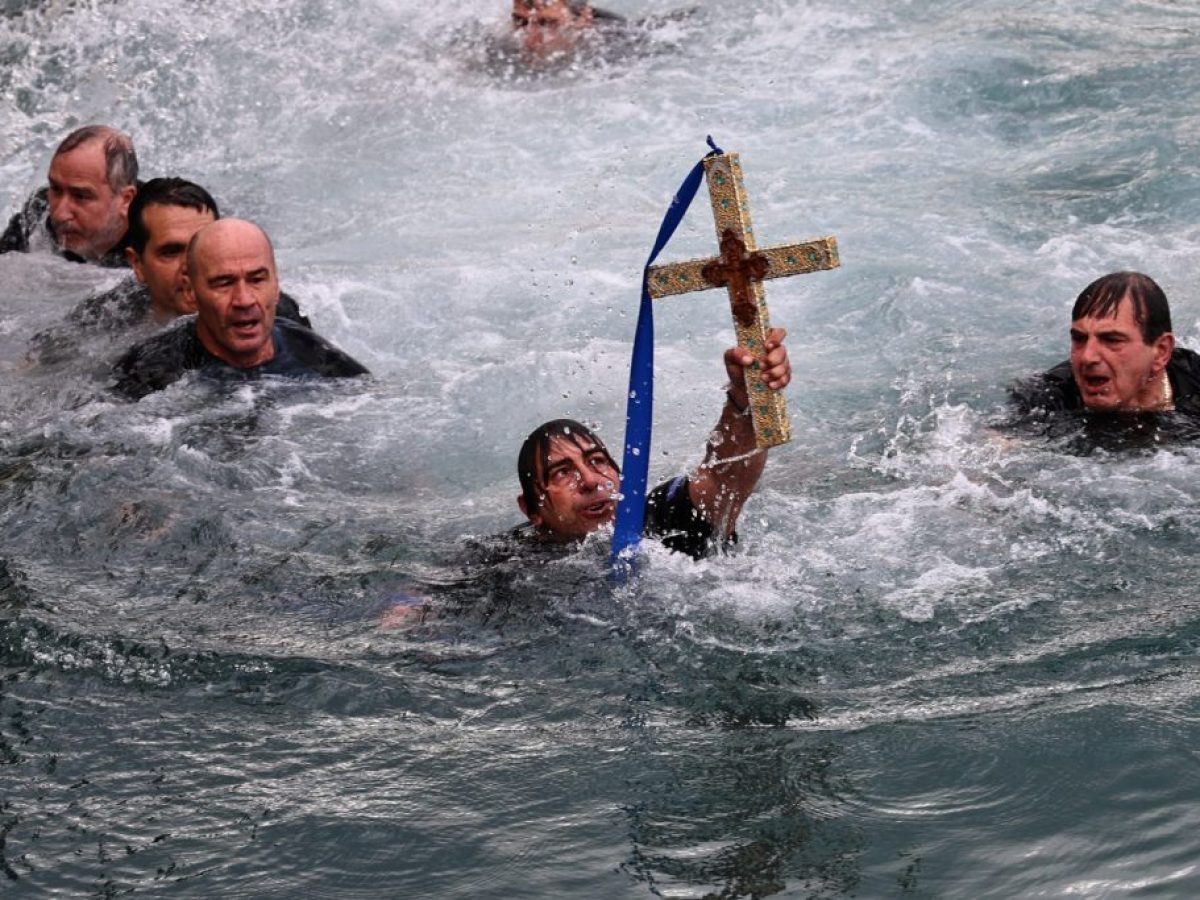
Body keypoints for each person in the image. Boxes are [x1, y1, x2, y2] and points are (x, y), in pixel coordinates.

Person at [513, 328, 792, 560]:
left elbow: (722, 479)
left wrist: (745, 394)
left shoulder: (661, 523)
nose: (589, 480)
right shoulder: (507, 563)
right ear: (531, 510)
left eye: (597, 461)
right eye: (563, 472)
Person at [27, 178, 311, 363]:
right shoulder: (113, 312)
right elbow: (35, 363)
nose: (193, 264)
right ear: (137, 264)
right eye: (172, 251)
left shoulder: (272, 312)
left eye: (203, 244)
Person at [112, 218, 368, 399]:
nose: (244, 300)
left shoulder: (312, 355)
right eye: (223, 283)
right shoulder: (149, 372)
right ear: (192, 291)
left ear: (276, 284)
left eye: (257, 280)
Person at [1009, 271, 1200, 419]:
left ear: (1161, 352)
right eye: (1079, 338)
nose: (1087, 357)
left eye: (1112, 340)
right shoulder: (1046, 400)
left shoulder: (1193, 384)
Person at [0, 125, 139, 266]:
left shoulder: (154, 240)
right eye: (56, 189)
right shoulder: (37, 216)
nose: (60, 214)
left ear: (126, 200)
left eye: (81, 196)